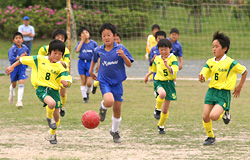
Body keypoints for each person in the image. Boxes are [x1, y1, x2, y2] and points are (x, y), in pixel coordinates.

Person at [6, 40, 72, 144]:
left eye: (60, 54)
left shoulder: (60, 66)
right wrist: (12, 67)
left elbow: (68, 78)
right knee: (52, 104)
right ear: (49, 52)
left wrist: (66, 83)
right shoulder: (39, 59)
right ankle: (49, 118)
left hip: (55, 91)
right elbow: (22, 60)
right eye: (55, 53)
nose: (57, 56)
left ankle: (52, 134)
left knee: (57, 116)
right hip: (42, 89)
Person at [199, 31, 248, 145]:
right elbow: (204, 76)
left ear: (224, 48)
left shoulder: (230, 62)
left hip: (223, 93)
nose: (214, 49)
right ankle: (210, 137)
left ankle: (225, 112)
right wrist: (201, 78)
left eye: (217, 46)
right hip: (211, 92)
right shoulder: (210, 62)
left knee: (214, 116)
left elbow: (244, 71)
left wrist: (239, 87)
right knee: (205, 116)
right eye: (213, 46)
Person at [89, 23, 134, 143]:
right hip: (104, 81)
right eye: (103, 36)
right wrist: (90, 71)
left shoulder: (121, 48)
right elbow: (93, 60)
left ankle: (114, 131)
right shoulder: (98, 50)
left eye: (108, 35)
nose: (106, 38)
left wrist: (124, 56)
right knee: (109, 101)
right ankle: (103, 107)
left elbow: (129, 64)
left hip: (117, 82)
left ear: (114, 36)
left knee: (117, 110)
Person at [144, 38, 179, 134]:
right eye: (161, 50)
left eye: (165, 49)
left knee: (165, 110)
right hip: (159, 82)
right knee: (162, 94)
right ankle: (157, 109)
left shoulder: (173, 58)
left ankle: (161, 125)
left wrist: (167, 65)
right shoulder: (157, 58)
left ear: (170, 49)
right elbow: (154, 70)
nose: (163, 52)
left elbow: (174, 70)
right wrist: (147, 75)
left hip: (169, 84)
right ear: (158, 50)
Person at [38, 29, 70, 117]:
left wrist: (64, 64)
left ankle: (62, 107)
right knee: (51, 94)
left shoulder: (66, 51)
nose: (60, 39)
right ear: (54, 38)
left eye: (62, 38)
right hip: (51, 74)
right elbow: (40, 54)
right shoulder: (47, 48)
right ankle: (50, 114)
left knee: (62, 93)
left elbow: (67, 63)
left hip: (61, 74)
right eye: (58, 37)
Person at [8, 32, 30, 108]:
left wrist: (26, 56)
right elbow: (11, 59)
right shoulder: (12, 49)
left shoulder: (25, 48)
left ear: (22, 40)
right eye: (16, 38)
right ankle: (12, 93)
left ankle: (19, 101)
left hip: (22, 68)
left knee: (21, 83)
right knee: (14, 84)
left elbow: (28, 57)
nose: (18, 40)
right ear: (13, 40)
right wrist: (20, 57)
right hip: (13, 68)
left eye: (19, 38)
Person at [75, 27, 98, 103]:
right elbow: (77, 50)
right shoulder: (80, 43)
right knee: (83, 81)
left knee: (89, 83)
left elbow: (98, 54)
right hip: (81, 63)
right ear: (80, 36)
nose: (85, 34)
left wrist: (98, 64)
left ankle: (87, 92)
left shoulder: (93, 43)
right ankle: (84, 98)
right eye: (83, 33)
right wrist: (82, 41)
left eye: (86, 33)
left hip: (90, 63)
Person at [148, 30, 167, 120]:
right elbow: (150, 63)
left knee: (165, 95)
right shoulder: (153, 49)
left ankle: (159, 109)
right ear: (155, 39)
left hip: (166, 77)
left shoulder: (167, 51)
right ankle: (158, 108)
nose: (160, 40)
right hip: (157, 76)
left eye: (162, 38)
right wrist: (153, 58)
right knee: (159, 94)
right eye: (159, 38)